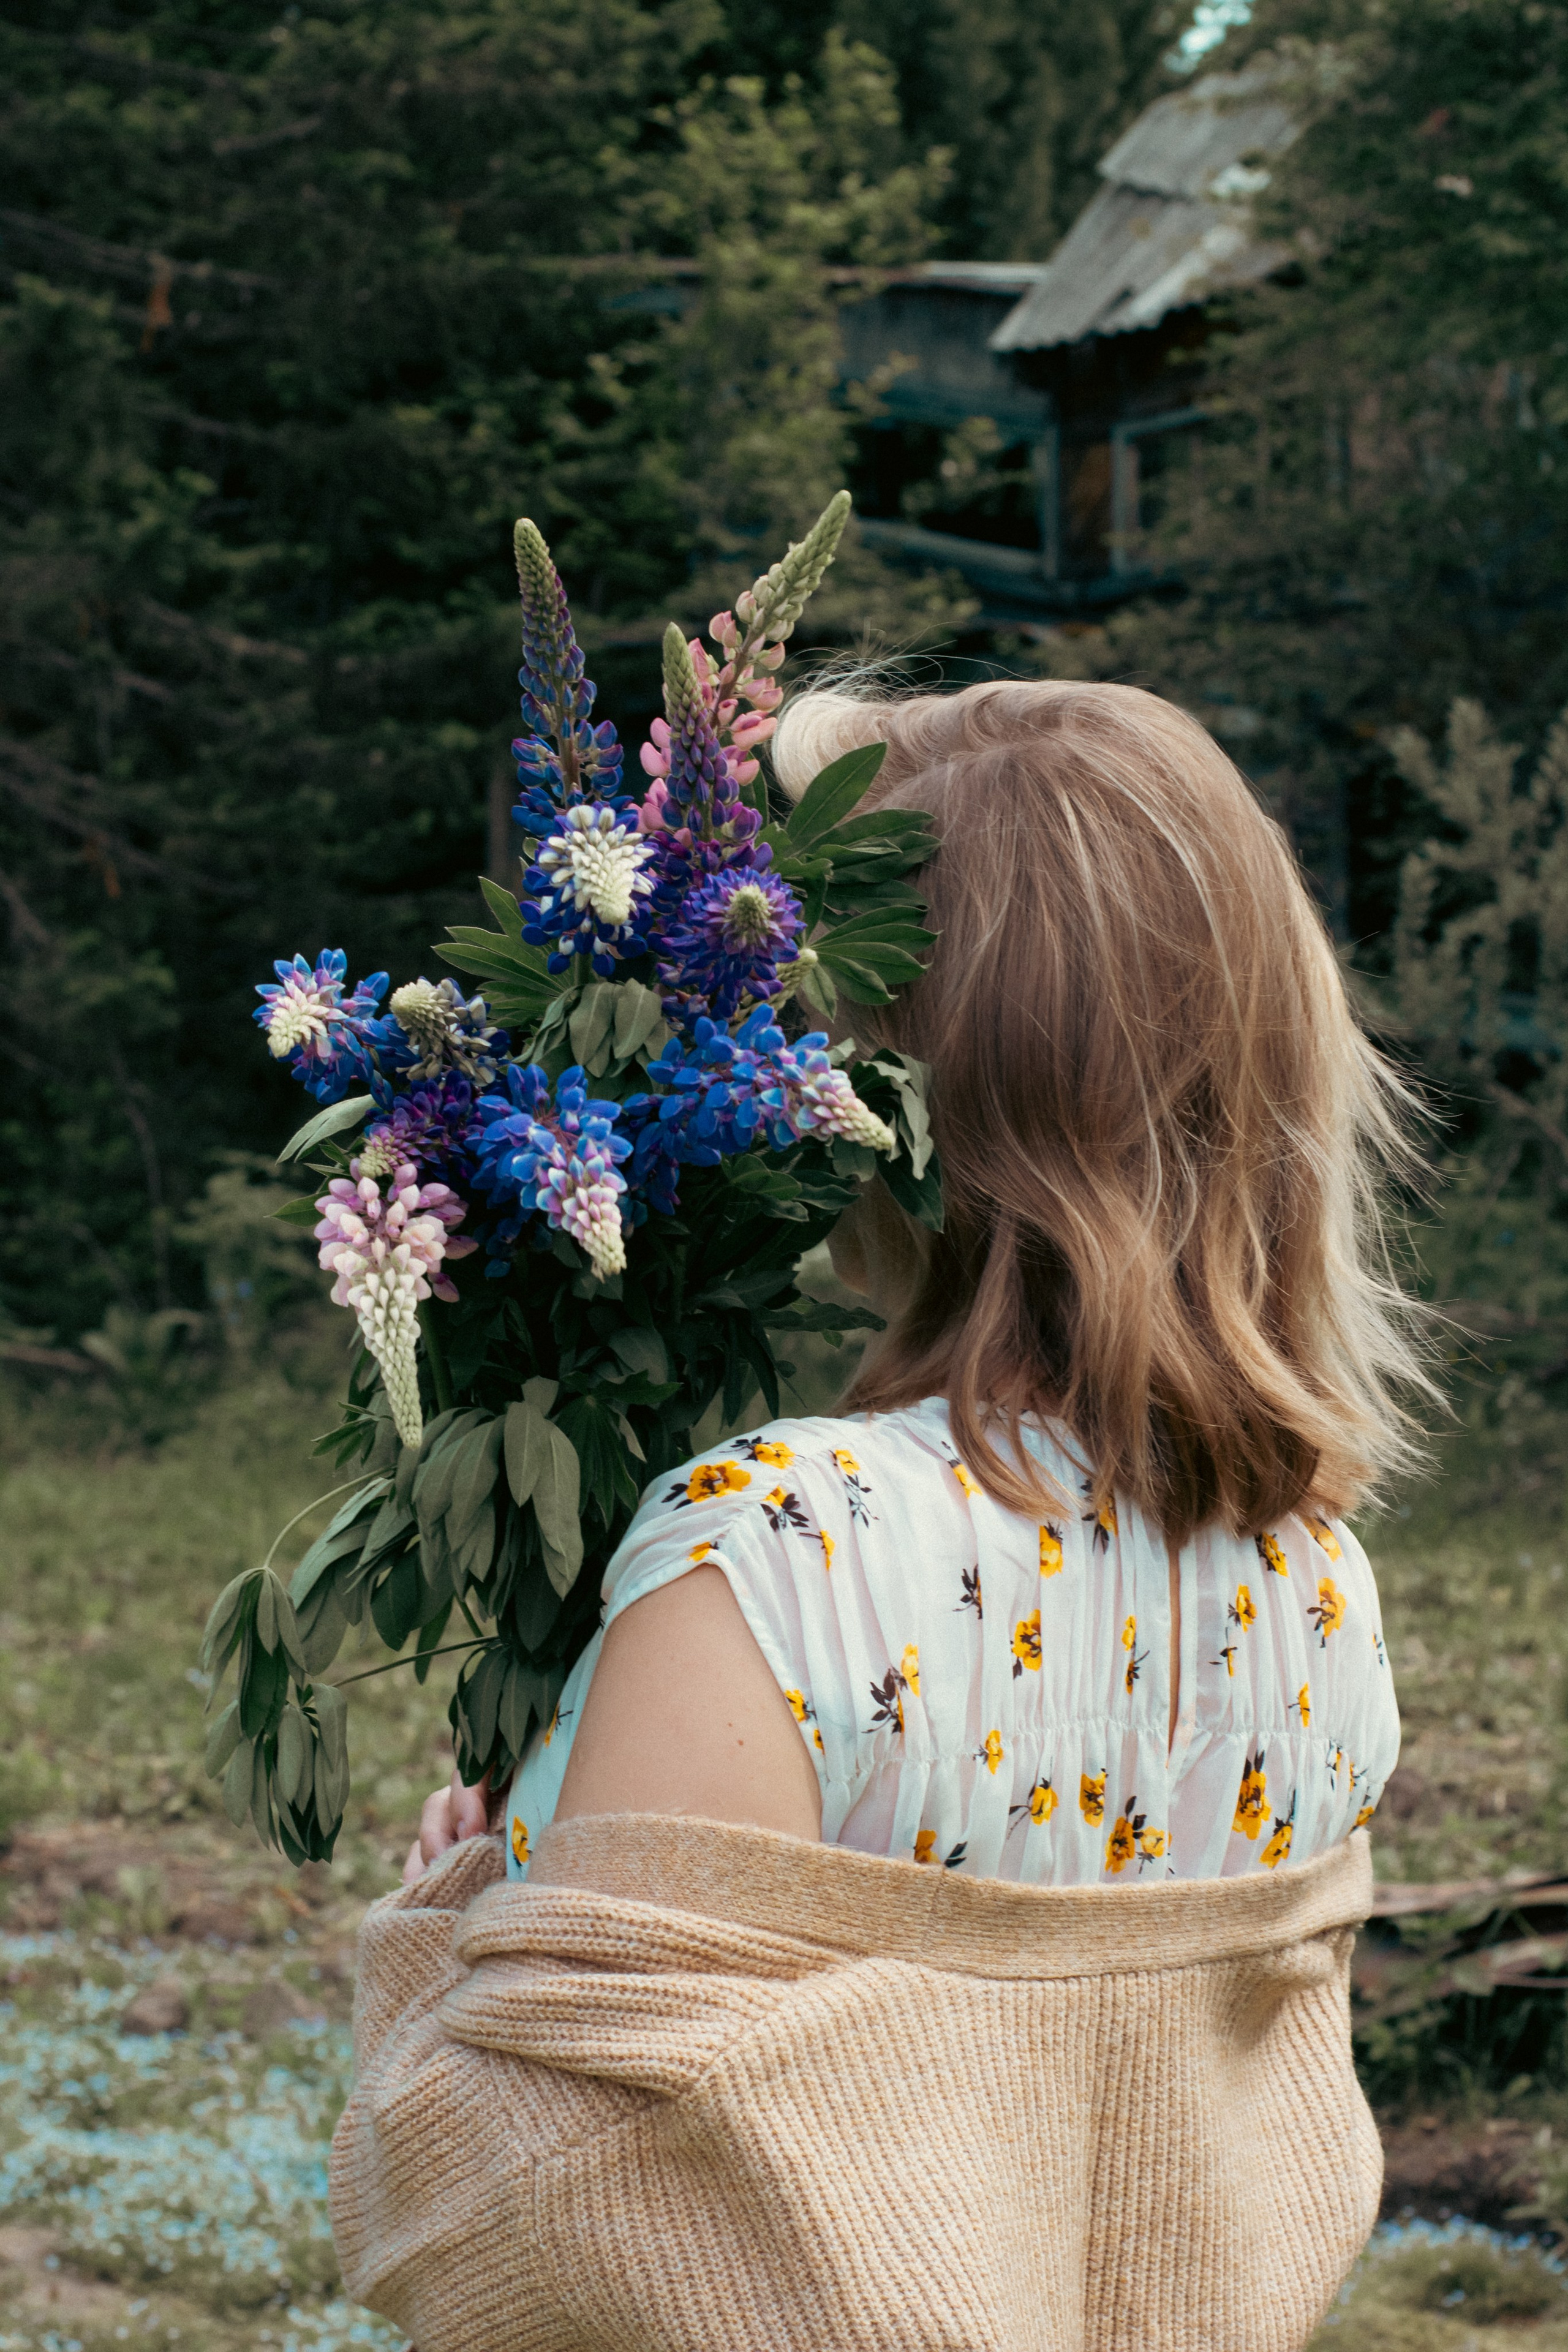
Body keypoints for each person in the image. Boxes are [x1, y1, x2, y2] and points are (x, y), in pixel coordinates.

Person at [343, 679, 1427, 2352]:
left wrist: (464, 1936)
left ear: (887, 1068)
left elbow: (562, 2230)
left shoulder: (774, 1558)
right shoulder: (1320, 1589)